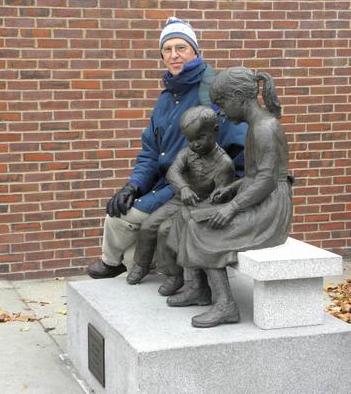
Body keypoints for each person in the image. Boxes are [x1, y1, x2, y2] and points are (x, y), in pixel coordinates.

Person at [87, 18, 247, 279]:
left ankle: (111, 262)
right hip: (166, 182)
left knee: (119, 218)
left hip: (194, 186)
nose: (174, 55)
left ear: (195, 50)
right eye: (167, 49)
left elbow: (238, 147)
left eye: (181, 47)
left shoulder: (212, 93)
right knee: (130, 246)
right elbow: (150, 151)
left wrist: (226, 194)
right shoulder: (165, 99)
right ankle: (132, 262)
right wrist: (134, 185)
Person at [166, 67, 293, 328]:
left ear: (238, 97)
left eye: (222, 103)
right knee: (186, 215)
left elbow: (268, 180)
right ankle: (198, 289)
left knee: (204, 229)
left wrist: (232, 207)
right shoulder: (256, 126)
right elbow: (256, 176)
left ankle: (226, 306)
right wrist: (233, 188)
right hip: (256, 197)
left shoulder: (265, 128)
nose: (221, 111)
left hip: (271, 209)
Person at [126, 106, 236, 296]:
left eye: (200, 138)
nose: (195, 144)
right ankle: (141, 264)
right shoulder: (187, 153)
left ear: (215, 131)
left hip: (200, 208)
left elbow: (219, 199)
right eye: (190, 139)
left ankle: (174, 275)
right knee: (148, 225)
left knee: (165, 231)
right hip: (180, 200)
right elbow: (173, 172)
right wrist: (183, 188)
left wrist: (201, 206)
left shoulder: (224, 164)